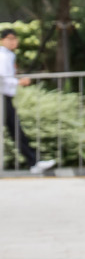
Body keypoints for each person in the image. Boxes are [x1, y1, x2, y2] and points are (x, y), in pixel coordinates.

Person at [0, 29, 54, 175]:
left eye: (14, 39)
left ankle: (33, 161)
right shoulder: (2, 56)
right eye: (9, 38)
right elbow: (2, 77)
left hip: (5, 97)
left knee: (16, 130)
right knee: (16, 130)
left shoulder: (8, 55)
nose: (13, 42)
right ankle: (33, 162)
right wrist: (19, 82)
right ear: (2, 40)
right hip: (2, 98)